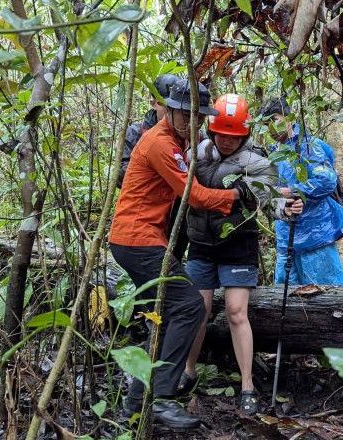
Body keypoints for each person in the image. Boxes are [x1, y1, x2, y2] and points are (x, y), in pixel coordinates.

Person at [108, 79, 259, 429]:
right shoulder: (161, 143)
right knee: (190, 307)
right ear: (171, 111)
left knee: (168, 313)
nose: (193, 123)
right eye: (186, 115)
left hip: (143, 239)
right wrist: (236, 196)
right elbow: (194, 195)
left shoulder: (178, 140)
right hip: (137, 240)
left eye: (198, 117)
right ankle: (160, 398)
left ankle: (135, 403)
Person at [176, 94, 303, 415]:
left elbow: (270, 198)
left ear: (244, 134)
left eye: (233, 136)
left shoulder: (258, 163)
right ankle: (188, 372)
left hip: (238, 246)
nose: (226, 141)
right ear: (211, 130)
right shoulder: (197, 154)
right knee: (197, 310)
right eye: (220, 134)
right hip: (201, 246)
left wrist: (286, 208)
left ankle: (247, 384)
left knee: (236, 312)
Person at [260, 97, 343, 286]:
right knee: (286, 295)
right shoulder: (274, 154)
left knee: (323, 294)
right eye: (265, 124)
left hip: (315, 235)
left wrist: (293, 191)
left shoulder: (309, 146)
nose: (271, 128)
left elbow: (326, 180)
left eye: (274, 120)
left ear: (289, 117)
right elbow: (268, 195)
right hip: (286, 237)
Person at [117, 73, 190, 261]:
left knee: (172, 262)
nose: (170, 111)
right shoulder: (136, 132)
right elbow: (121, 174)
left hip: (178, 214)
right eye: (165, 106)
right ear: (154, 102)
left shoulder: (188, 132)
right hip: (146, 215)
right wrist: (160, 169)